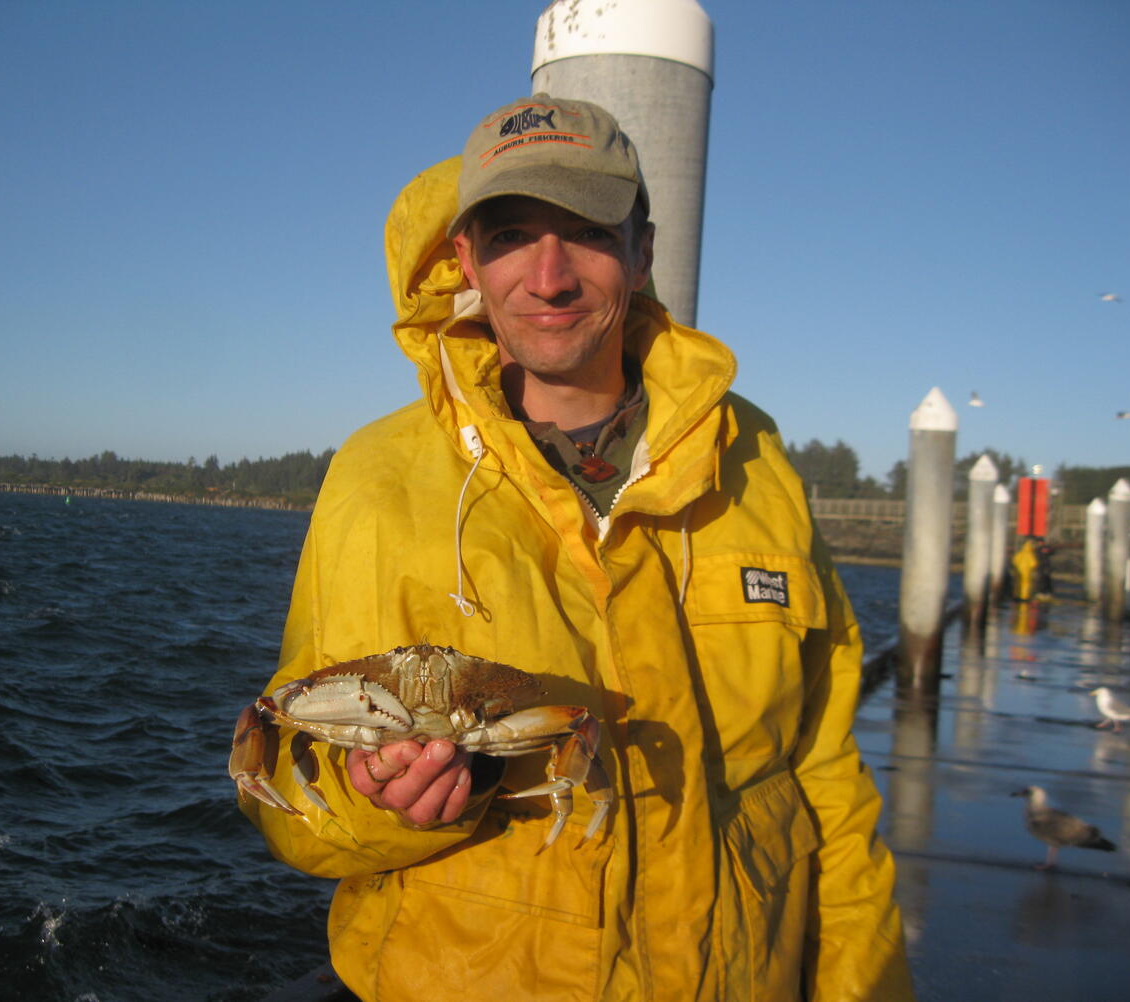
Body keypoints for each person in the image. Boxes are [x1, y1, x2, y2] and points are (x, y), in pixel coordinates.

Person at [237, 93, 914, 1001]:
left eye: (588, 231)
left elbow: (825, 776)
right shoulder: (377, 477)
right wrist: (382, 805)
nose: (549, 277)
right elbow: (293, 797)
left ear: (641, 251)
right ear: (465, 258)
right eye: (512, 235)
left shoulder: (750, 460)